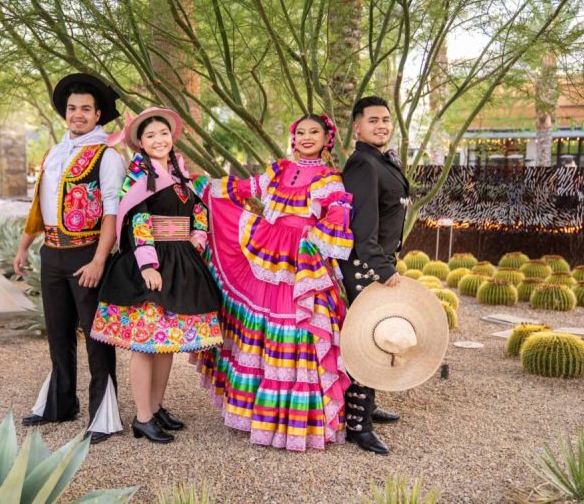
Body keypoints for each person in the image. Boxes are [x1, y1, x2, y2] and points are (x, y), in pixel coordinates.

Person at [194, 114, 353, 452]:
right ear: (293, 138)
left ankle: (296, 424)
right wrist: (204, 186)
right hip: (269, 251)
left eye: (314, 132)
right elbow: (245, 189)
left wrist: (318, 237)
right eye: (301, 132)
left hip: (302, 258)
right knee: (265, 327)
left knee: (298, 327)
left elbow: (338, 213)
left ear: (327, 139)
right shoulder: (279, 169)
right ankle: (261, 416)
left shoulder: (329, 178)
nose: (307, 137)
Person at [91, 107, 223, 444]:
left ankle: (156, 406)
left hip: (180, 261)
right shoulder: (138, 177)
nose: (158, 140)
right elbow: (137, 219)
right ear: (141, 143)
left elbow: (199, 211)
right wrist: (148, 265)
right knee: (145, 343)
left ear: (172, 137)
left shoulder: (181, 174)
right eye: (150, 136)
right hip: (149, 263)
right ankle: (143, 417)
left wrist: (197, 239)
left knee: (167, 343)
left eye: (163, 133)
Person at [13, 73, 126, 444]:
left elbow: (112, 212)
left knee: (97, 338)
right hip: (52, 253)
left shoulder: (107, 156)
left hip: (87, 253)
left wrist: (99, 260)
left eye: (85, 109)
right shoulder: (53, 153)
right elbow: (39, 205)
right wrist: (24, 245)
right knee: (58, 334)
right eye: (72, 108)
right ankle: (60, 404)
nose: (78, 114)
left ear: (98, 115)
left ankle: (103, 417)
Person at [338, 96, 408, 455]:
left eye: (385, 120)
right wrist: (382, 268)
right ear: (357, 127)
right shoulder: (362, 164)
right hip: (364, 266)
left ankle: (368, 404)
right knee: (366, 341)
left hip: (379, 261)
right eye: (373, 120)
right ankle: (357, 426)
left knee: (377, 336)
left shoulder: (380, 159)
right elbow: (361, 228)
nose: (381, 126)